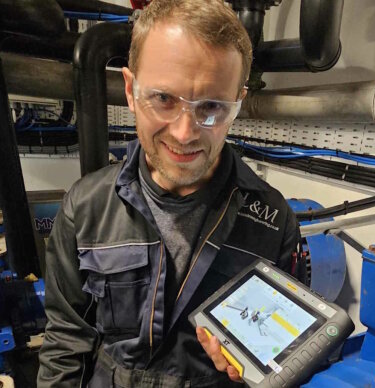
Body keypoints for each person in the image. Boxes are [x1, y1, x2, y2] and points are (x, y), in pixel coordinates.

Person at [37, 0, 302, 386]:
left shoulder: (273, 222)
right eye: (163, 99)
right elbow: (66, 340)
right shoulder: (86, 207)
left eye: (211, 106)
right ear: (130, 90)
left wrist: (256, 372)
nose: (184, 133)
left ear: (238, 104)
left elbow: (285, 358)